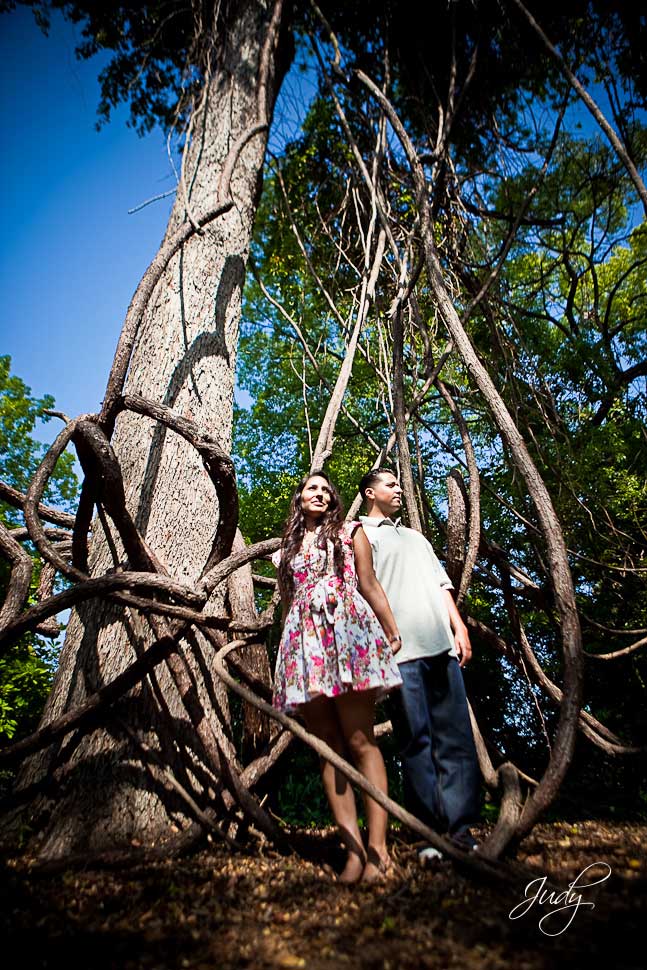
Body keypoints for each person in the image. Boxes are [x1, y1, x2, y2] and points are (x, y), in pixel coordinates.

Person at [272, 471, 403, 883]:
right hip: (303, 642)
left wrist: (391, 629)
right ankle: (352, 853)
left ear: (334, 501)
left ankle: (379, 852)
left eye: (326, 490)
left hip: (347, 632)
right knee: (327, 748)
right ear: (299, 498)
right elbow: (289, 601)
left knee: (360, 739)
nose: (319, 493)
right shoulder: (285, 550)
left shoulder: (350, 532)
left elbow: (368, 583)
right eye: (312, 488)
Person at [358, 467, 481, 857]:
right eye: (390, 484)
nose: (398, 489)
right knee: (416, 740)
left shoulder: (415, 537)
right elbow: (363, 591)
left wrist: (458, 628)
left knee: (455, 740)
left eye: (398, 483)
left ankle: (460, 831)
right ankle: (429, 835)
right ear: (369, 493)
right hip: (400, 654)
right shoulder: (361, 535)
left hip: (441, 648)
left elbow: (441, 584)